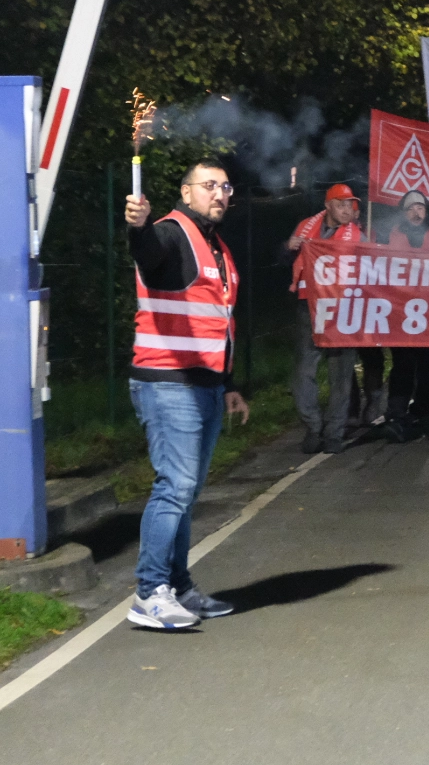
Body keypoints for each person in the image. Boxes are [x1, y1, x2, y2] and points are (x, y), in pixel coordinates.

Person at [123, 159, 251, 629]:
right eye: (209, 185)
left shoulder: (215, 244)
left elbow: (217, 321)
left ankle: (178, 587)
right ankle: (149, 593)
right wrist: (138, 227)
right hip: (167, 381)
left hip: (206, 384)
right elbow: (147, 252)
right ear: (186, 192)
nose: (219, 193)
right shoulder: (171, 233)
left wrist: (228, 384)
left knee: (186, 492)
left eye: (225, 186)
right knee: (174, 487)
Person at [283, 183, 362, 454]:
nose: (347, 209)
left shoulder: (358, 235)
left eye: (349, 204)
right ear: (327, 206)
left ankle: (334, 434)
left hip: (342, 310)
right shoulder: (305, 226)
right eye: (341, 204)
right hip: (309, 307)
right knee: (303, 371)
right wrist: (288, 247)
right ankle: (313, 427)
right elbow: (284, 261)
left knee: (341, 375)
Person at [382, 190, 429, 443]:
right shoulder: (393, 234)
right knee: (403, 365)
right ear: (403, 213)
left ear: (427, 210)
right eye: (410, 208)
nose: (415, 212)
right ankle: (396, 415)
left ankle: (428, 414)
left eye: (420, 207)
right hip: (402, 311)